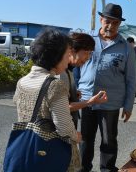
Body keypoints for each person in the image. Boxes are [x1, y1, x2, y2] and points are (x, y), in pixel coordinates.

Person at [75, 3, 136, 172]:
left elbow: (131, 79)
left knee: (109, 140)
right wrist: (74, 92)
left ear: (119, 25)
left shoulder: (125, 47)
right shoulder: (87, 39)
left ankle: (107, 169)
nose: (110, 26)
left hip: (111, 102)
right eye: (107, 21)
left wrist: (129, 105)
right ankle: (83, 169)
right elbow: (75, 66)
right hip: (86, 99)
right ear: (101, 19)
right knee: (85, 138)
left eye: (115, 23)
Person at [13, 29, 82, 171]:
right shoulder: (55, 85)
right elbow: (64, 127)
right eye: (68, 54)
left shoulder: (22, 82)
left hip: (28, 150)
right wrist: (76, 136)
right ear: (56, 56)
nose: (69, 58)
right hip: (51, 153)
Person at [59, 32, 108, 128]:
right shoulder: (59, 73)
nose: (88, 58)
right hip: (61, 132)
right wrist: (90, 102)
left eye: (90, 53)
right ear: (72, 51)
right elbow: (63, 108)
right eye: (86, 53)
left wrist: (73, 93)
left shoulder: (68, 70)